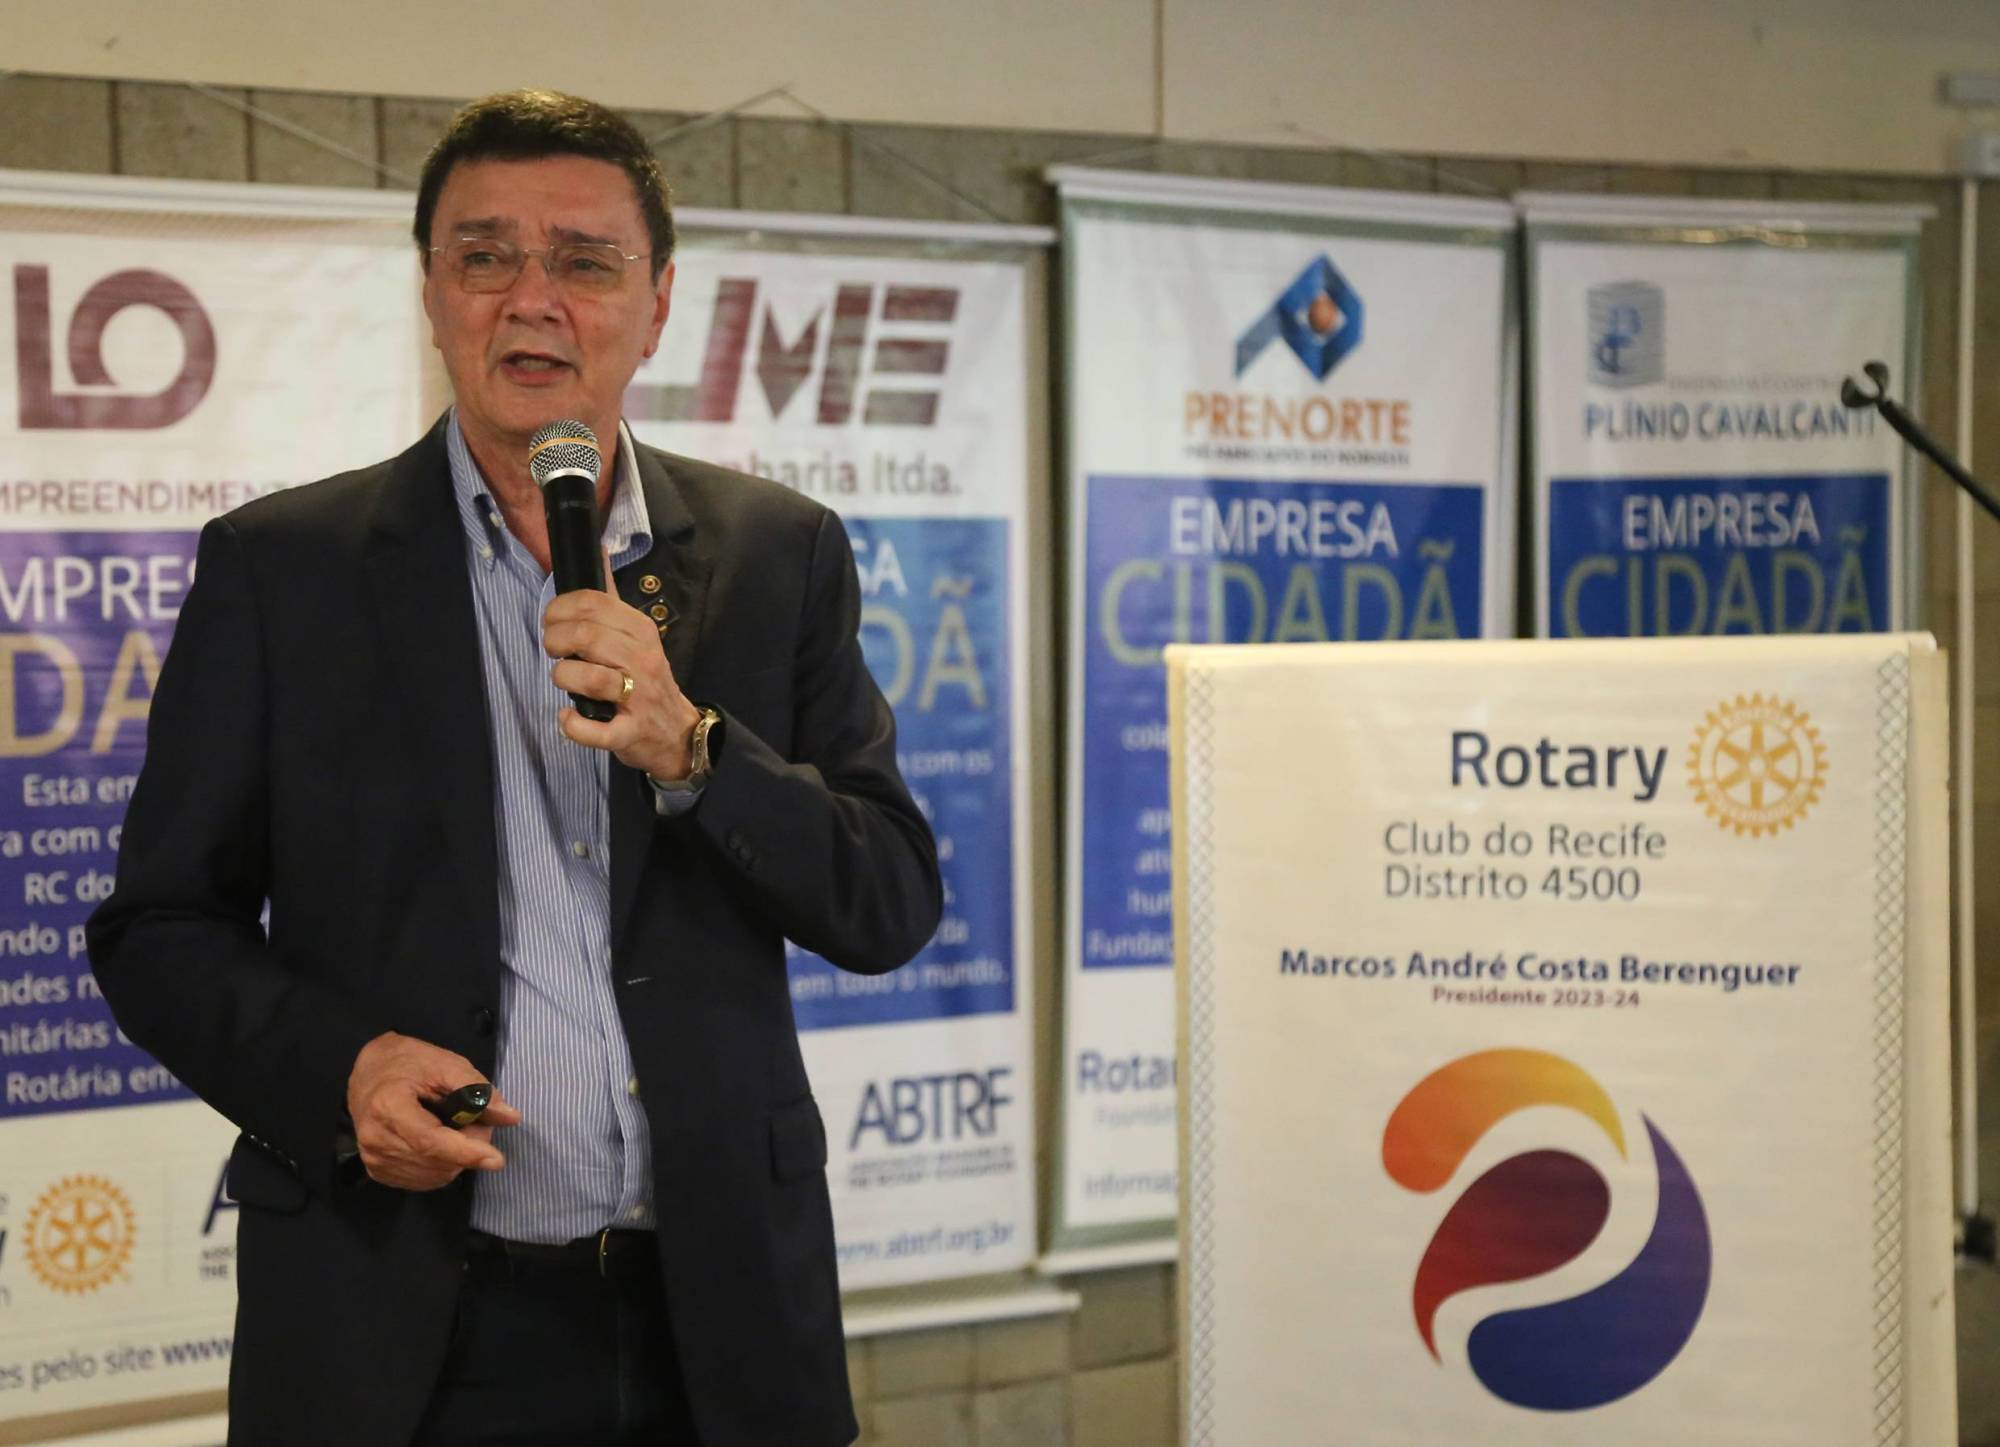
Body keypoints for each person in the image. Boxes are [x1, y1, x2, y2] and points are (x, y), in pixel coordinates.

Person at [86, 89, 941, 1447]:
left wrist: (695, 751)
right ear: (433, 294)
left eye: (585, 262)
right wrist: (345, 1069)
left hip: (721, 1321)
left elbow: (887, 899)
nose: (532, 299)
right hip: (407, 1329)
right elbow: (157, 928)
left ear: (658, 304)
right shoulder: (283, 571)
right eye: (485, 257)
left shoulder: (779, 554)